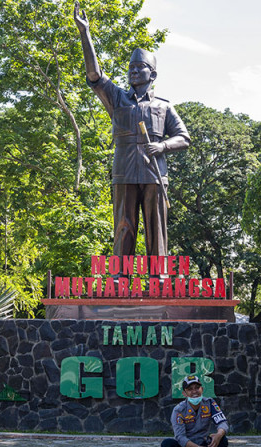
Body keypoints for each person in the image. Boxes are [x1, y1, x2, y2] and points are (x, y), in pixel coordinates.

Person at [75, 2, 191, 259]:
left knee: (156, 228)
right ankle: (119, 275)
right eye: (131, 67)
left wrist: (162, 146)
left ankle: (157, 278)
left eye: (140, 67)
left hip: (154, 173)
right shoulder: (117, 99)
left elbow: (184, 137)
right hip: (124, 171)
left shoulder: (164, 107)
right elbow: (94, 75)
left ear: (153, 74)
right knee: (124, 225)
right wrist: (85, 34)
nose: (134, 71)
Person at [161, 375, 229, 447]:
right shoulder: (179, 410)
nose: (194, 392)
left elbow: (223, 423)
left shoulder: (210, 403)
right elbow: (180, 437)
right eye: (190, 389)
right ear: (184, 393)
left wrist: (218, 434)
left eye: (197, 387)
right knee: (167, 445)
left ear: (202, 389)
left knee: (223, 440)